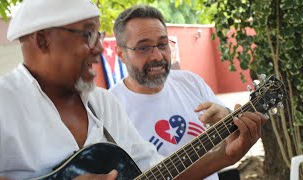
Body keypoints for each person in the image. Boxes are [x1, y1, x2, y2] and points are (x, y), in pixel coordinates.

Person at [0, 0, 165, 179]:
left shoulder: (103, 102)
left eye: (98, 35)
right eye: (88, 34)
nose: (100, 48)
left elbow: (150, 165)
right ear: (42, 40)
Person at [109, 5, 268, 180]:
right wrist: (225, 157)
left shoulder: (190, 82)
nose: (157, 56)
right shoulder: (108, 109)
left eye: (163, 44)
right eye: (144, 47)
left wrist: (228, 117)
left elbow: (229, 137)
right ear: (121, 53)